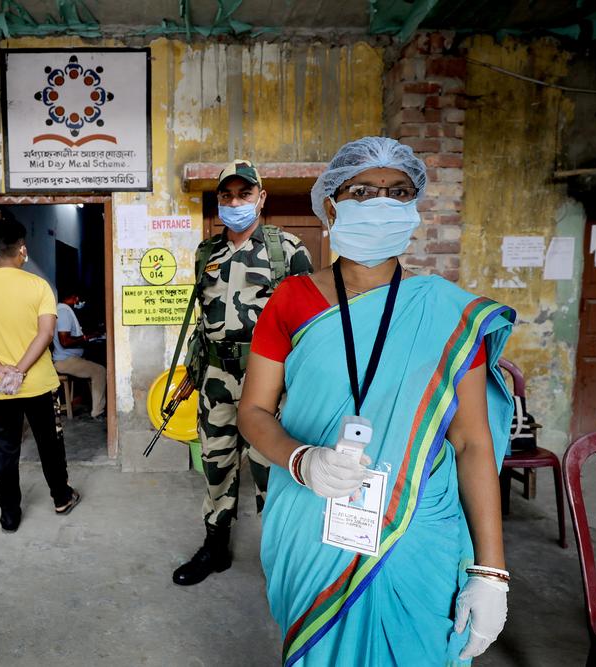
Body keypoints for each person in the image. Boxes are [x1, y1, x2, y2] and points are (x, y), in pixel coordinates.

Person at [236, 137, 515, 665]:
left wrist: (490, 571)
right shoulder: (291, 299)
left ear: (413, 207)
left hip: (417, 524)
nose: (380, 201)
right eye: (362, 190)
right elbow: (252, 411)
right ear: (333, 204)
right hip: (311, 511)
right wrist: (300, 459)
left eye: (398, 191)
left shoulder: (448, 314)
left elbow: (473, 442)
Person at [170, 159, 314, 586]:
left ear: (261, 198)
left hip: (268, 380)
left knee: (270, 467)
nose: (235, 202)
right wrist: (194, 365)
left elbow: (308, 325)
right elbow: (204, 318)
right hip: (216, 376)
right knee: (216, 463)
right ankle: (215, 548)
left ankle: (279, 555)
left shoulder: (287, 250)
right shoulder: (206, 253)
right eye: (226, 196)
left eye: (244, 194)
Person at [0, 213, 81, 534]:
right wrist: (22, 370)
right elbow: (45, 334)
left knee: (4, 450)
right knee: (49, 445)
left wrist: (2, 370)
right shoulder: (39, 286)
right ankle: (61, 498)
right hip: (38, 383)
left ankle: (9, 515)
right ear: (22, 249)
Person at [52, 289, 106, 419]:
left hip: (69, 358)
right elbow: (64, 341)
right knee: (100, 371)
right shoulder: (63, 311)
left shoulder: (63, 310)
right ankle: (98, 412)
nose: (79, 302)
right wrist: (86, 338)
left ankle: (88, 402)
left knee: (94, 363)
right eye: (78, 299)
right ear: (73, 297)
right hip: (65, 361)